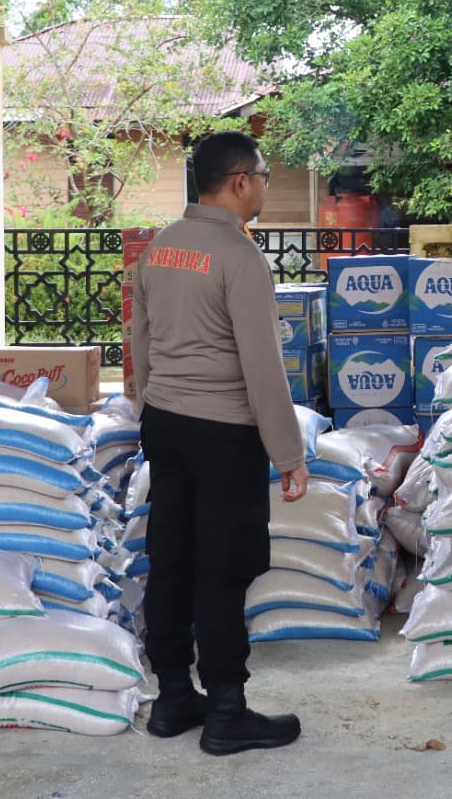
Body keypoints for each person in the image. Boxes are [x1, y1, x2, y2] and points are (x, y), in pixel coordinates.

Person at [130, 130, 310, 755]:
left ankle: (173, 697)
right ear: (238, 181)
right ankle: (227, 710)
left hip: (166, 423)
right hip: (224, 432)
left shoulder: (161, 246)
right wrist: (289, 453)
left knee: (171, 557)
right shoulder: (239, 254)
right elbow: (263, 365)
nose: (264, 185)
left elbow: (140, 342)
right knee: (223, 568)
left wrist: (151, 408)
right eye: (262, 175)